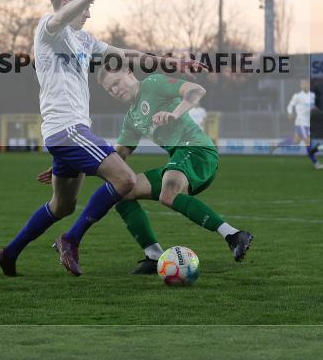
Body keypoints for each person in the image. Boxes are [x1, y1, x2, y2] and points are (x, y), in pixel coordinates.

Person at [0, 0, 200, 277]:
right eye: (87, 7)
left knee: (62, 206)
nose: (89, 14)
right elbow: (60, 17)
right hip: (69, 130)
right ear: (68, 4)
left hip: (67, 137)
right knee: (126, 181)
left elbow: (127, 56)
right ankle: (70, 239)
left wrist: (171, 63)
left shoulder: (84, 40)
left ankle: (9, 254)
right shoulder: (49, 28)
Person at [73, 67, 253, 273]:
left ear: (130, 73)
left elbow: (196, 90)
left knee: (168, 194)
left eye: (116, 82)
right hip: (179, 159)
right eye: (109, 89)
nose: (114, 90)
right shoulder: (132, 118)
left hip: (196, 150)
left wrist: (174, 114)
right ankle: (154, 255)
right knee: (121, 192)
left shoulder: (153, 84)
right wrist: (75, 165)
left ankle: (233, 235)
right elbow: (116, 159)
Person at [286, 79, 323, 169]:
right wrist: (290, 113)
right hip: (300, 122)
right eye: (302, 84)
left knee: (296, 141)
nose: (304, 85)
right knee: (308, 142)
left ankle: (276, 144)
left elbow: (310, 106)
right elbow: (290, 105)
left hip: (307, 123)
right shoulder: (297, 96)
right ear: (300, 86)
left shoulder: (312, 95)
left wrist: (314, 108)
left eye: (306, 84)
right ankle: (316, 163)